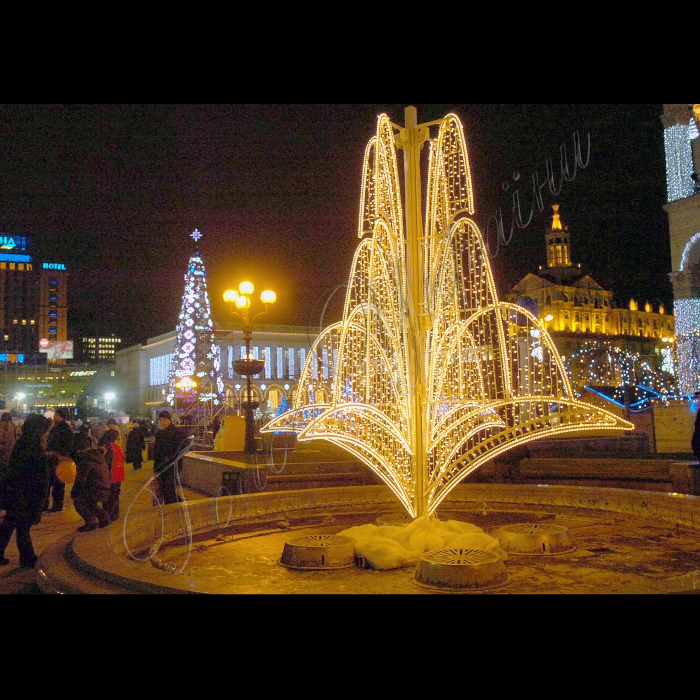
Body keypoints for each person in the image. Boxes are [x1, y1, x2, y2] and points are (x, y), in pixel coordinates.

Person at [0, 413, 52, 567]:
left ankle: (18, 555)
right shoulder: (34, 445)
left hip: (16, 491)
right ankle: (27, 558)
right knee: (22, 526)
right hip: (27, 493)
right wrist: (41, 498)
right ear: (38, 429)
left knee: (10, 523)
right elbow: (39, 475)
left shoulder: (24, 442)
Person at [71, 430, 111, 531]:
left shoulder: (85, 459)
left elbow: (81, 479)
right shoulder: (97, 455)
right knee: (90, 502)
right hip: (105, 487)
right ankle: (104, 518)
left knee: (79, 502)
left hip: (97, 489)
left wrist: (75, 492)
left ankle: (91, 522)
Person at [153, 410, 191, 505]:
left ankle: (172, 506)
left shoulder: (177, 433)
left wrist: (173, 456)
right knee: (165, 489)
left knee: (168, 488)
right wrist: (155, 469)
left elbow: (186, 446)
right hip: (162, 466)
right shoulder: (159, 434)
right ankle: (175, 504)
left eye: (164, 419)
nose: (162, 422)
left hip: (173, 465)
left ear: (169, 420)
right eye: (160, 420)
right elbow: (157, 452)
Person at [44, 407, 75, 512]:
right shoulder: (55, 427)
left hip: (59, 459)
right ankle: (45, 504)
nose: (54, 416)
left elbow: (69, 445)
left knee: (58, 483)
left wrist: (60, 454)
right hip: (51, 458)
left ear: (62, 417)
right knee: (48, 482)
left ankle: (57, 505)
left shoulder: (66, 429)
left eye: (56, 415)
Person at [99, 429, 125, 522]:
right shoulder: (116, 447)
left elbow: (106, 463)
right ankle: (114, 514)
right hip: (118, 476)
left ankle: (108, 515)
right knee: (115, 496)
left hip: (110, 476)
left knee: (108, 497)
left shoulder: (106, 447)